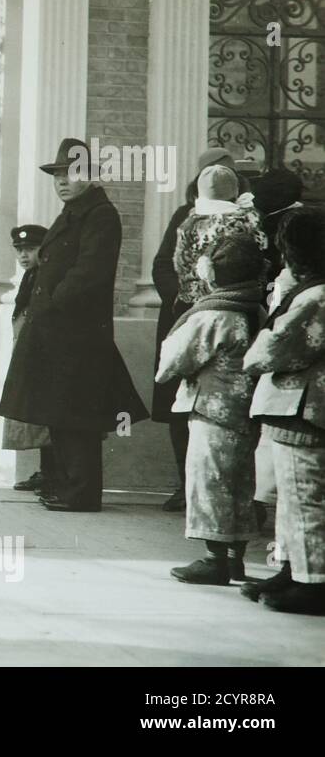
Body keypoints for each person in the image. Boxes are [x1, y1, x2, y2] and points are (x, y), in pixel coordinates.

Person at [0, 138, 149, 512]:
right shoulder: (73, 213)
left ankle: (80, 492)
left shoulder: (99, 214)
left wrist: (51, 303)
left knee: (78, 414)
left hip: (77, 333)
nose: (62, 181)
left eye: (71, 174)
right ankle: (66, 486)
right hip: (59, 332)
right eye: (57, 175)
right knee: (61, 412)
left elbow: (88, 273)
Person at [156, 234, 266, 586]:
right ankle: (236, 559)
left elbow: (174, 359)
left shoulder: (215, 314)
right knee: (241, 484)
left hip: (213, 408)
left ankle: (213, 559)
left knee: (210, 481)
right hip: (246, 408)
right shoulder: (255, 308)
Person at [151, 148, 244, 513]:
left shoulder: (244, 218)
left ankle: (221, 493)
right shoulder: (183, 217)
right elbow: (162, 266)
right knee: (179, 404)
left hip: (227, 320)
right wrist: (185, 299)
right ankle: (183, 483)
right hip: (185, 319)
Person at [242, 207, 325, 615]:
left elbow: (279, 346)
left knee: (305, 497)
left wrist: (254, 354)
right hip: (295, 408)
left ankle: (313, 581)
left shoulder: (316, 295)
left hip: (304, 407)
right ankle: (292, 568)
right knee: (290, 496)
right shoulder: (308, 290)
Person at [4, 225, 53, 491]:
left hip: (41, 353)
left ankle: (51, 472)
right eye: (19, 250)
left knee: (46, 417)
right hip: (28, 350)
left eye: (30, 250)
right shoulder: (30, 276)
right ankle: (46, 471)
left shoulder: (42, 277)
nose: (24, 256)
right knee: (37, 415)